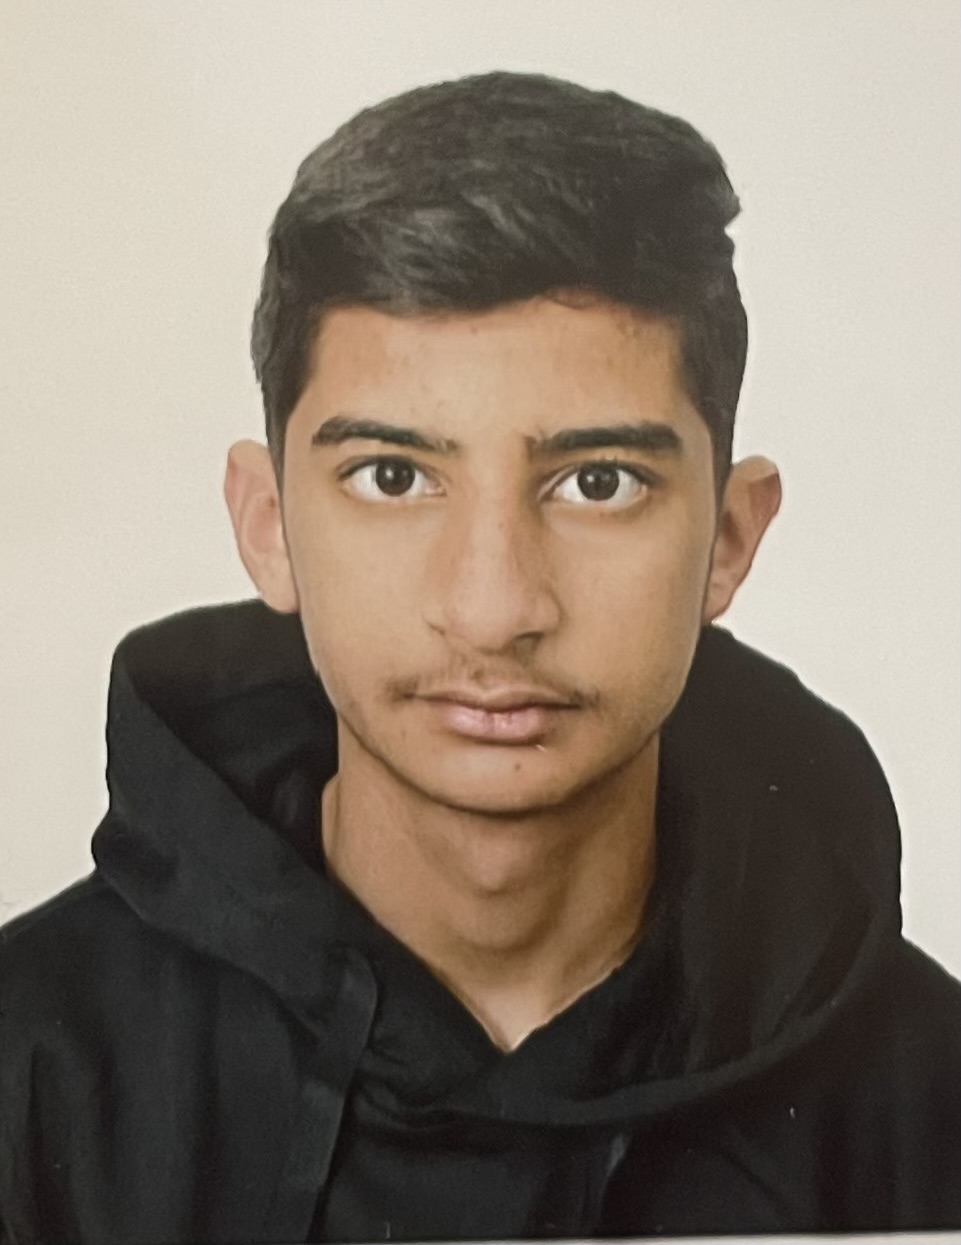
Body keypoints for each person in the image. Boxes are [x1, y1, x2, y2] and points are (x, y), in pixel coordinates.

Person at [1, 70, 958, 1243]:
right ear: (267, 525)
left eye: (596, 483)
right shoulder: (26, 1076)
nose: (494, 608)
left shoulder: (929, 1101)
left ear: (727, 538)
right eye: (392, 477)